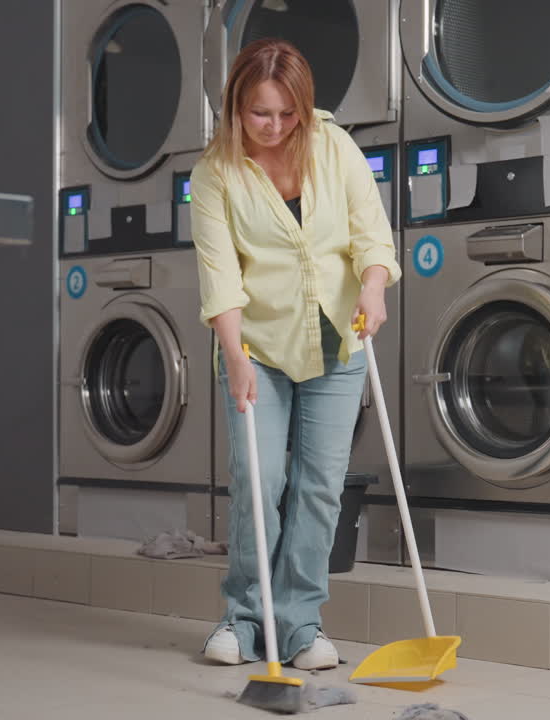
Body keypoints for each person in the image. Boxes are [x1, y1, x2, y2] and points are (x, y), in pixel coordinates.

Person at [188, 38, 401, 670]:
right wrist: (233, 354)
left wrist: (372, 285)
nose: (276, 128)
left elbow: (372, 234)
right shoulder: (214, 174)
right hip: (257, 346)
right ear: (235, 108)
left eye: (288, 114)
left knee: (319, 489)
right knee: (260, 480)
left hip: (340, 340)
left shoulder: (334, 147)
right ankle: (244, 619)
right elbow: (218, 275)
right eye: (261, 114)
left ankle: (301, 624)